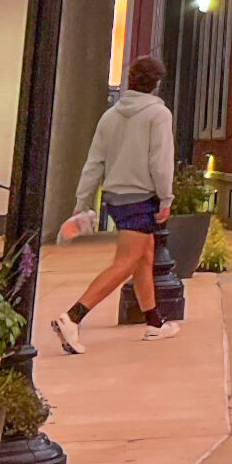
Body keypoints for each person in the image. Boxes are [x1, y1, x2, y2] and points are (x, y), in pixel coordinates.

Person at [52, 54, 178, 352]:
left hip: (116, 199)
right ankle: (72, 317)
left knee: (144, 256)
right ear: (157, 84)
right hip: (141, 197)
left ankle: (155, 323)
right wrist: (167, 197)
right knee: (125, 263)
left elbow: (94, 162)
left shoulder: (110, 116)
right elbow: (160, 163)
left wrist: (83, 202)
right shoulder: (158, 115)